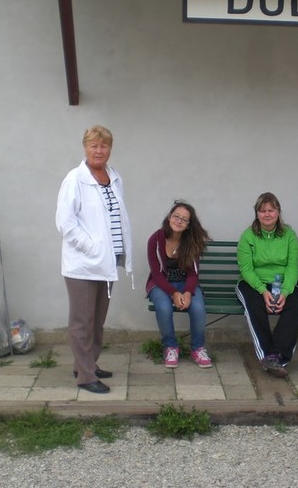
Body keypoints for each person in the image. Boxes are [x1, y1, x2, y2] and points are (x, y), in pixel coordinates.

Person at [56, 125, 133, 394]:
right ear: (85, 148)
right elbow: (65, 223)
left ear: (110, 148)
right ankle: (85, 376)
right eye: (93, 145)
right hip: (83, 264)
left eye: (104, 145)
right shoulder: (74, 179)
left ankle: (86, 364)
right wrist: (90, 247)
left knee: (97, 320)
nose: (99, 150)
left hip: (106, 262)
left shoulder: (114, 177)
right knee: (82, 322)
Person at [236, 192, 298, 378]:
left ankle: (278, 356)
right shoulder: (248, 236)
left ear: (278, 212)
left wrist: (286, 292)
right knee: (254, 304)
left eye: (271, 210)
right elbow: (246, 269)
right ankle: (268, 355)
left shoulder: (289, 235)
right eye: (262, 210)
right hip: (254, 284)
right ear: (257, 213)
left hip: (282, 284)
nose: (267, 214)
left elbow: (293, 266)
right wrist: (262, 291)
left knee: (296, 301)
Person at [146, 201, 212, 369]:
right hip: (161, 284)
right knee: (164, 307)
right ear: (169, 217)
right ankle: (170, 347)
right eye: (176, 216)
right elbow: (157, 274)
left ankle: (198, 349)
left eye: (184, 219)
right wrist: (174, 293)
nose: (179, 221)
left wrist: (188, 292)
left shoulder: (191, 241)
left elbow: (193, 274)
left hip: (186, 283)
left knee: (198, 307)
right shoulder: (156, 239)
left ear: (188, 224)